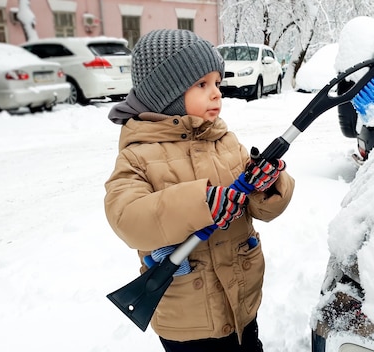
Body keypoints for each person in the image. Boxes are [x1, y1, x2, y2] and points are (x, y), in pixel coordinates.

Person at [104, 29, 295, 352]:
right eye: (202, 85)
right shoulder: (138, 155)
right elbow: (127, 217)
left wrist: (269, 185)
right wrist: (200, 203)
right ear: (168, 93)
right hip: (187, 319)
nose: (216, 93)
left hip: (241, 297)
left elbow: (262, 209)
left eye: (217, 83)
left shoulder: (225, 142)